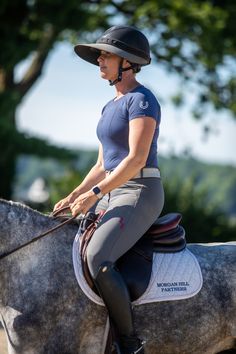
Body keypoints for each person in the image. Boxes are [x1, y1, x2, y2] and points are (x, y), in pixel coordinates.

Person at [54, 25, 164, 354]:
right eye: (100, 55)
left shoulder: (142, 100)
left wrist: (96, 194)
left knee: (98, 256)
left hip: (140, 191)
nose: (100, 60)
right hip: (112, 189)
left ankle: (130, 344)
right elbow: (102, 164)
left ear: (127, 63)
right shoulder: (109, 106)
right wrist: (75, 195)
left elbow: (135, 159)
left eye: (106, 55)